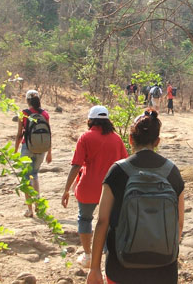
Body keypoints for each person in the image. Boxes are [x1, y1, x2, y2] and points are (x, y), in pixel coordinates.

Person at [87, 109, 185, 284]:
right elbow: (178, 225)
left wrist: (95, 268)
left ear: (131, 139)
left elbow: (102, 221)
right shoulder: (172, 172)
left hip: (121, 268)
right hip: (164, 270)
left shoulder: (117, 171)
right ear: (157, 142)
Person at [61, 105, 128, 268]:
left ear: (90, 120)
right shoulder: (117, 139)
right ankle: (107, 258)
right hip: (110, 189)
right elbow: (125, 163)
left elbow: (76, 165)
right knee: (107, 222)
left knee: (84, 219)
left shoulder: (85, 137)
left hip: (88, 188)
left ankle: (88, 256)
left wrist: (66, 190)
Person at [15, 89, 53, 218]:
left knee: (26, 177)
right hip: (41, 148)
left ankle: (29, 209)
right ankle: (38, 206)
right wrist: (49, 152)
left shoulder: (24, 114)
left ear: (27, 100)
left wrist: (15, 150)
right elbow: (49, 134)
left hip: (27, 147)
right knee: (35, 175)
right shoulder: (45, 114)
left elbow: (19, 134)